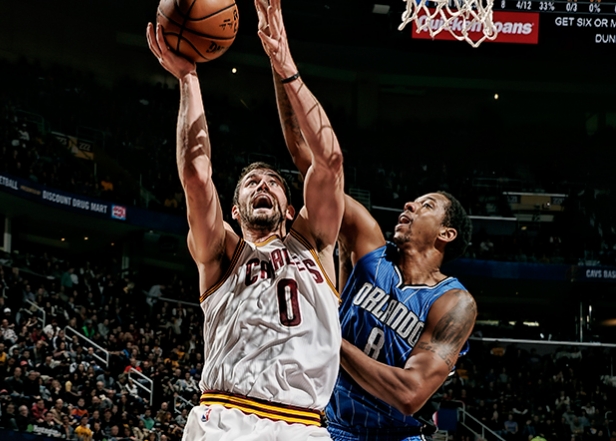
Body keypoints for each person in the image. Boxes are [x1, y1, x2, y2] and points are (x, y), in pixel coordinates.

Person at [145, 0, 345, 437]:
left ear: (291, 210)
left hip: (303, 426)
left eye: (272, 181)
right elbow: (197, 176)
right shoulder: (221, 253)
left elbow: (328, 160)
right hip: (225, 418)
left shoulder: (316, 244)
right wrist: (189, 78)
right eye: (251, 182)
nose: (262, 185)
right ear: (234, 211)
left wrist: (285, 66)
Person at [272, 65, 475, 441]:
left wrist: (328, 335)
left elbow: (410, 393)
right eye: (414, 200)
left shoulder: (454, 302)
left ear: (447, 234)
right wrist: (280, 62)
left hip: (394, 433)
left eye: (426, 205)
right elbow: (309, 158)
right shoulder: (368, 246)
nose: (410, 204)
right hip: (328, 423)